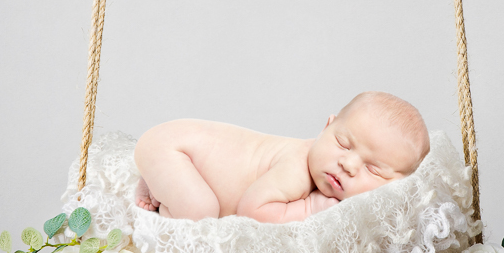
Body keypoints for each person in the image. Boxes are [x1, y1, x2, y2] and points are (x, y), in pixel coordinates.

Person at [133, 91, 429, 223]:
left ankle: (160, 181)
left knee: (199, 202)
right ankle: (160, 200)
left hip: (181, 156)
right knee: (200, 211)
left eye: (374, 170)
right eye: (342, 143)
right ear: (327, 127)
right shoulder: (297, 166)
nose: (348, 165)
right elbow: (252, 210)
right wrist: (310, 207)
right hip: (174, 149)